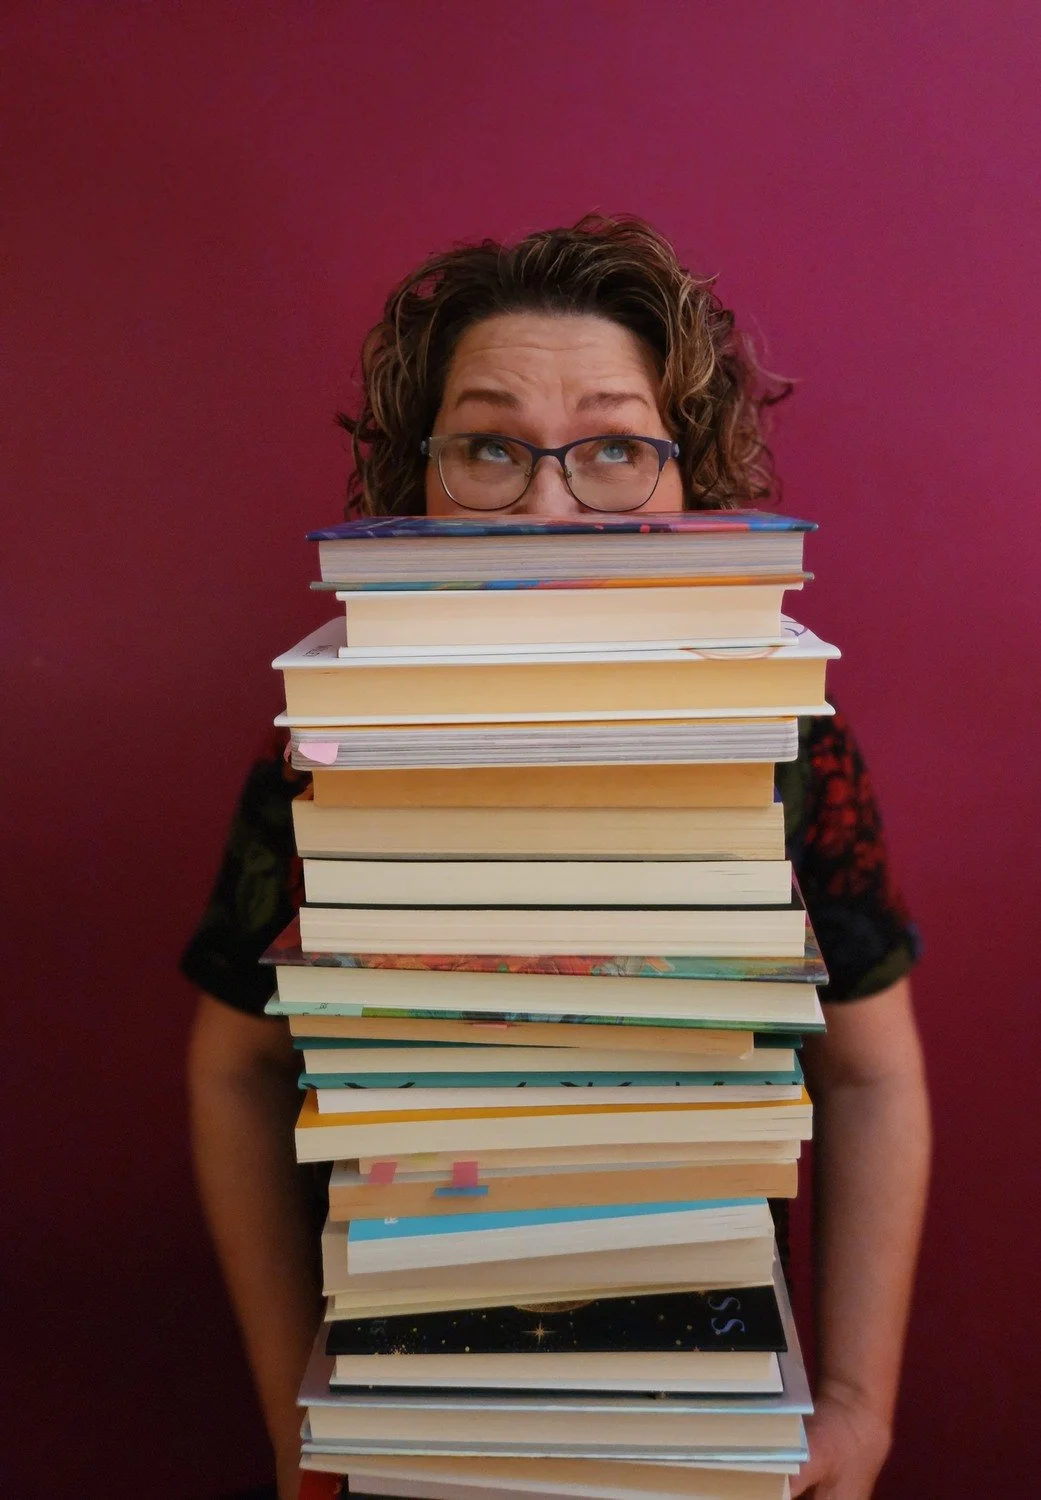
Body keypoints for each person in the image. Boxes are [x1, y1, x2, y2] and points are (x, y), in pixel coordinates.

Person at [184, 215, 931, 1500]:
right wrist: (291, 1420)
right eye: (488, 445)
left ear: (689, 478)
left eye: (615, 449)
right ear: (417, 481)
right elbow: (238, 1071)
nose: (547, 502)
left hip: (713, 1417)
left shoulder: (786, 742)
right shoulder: (324, 747)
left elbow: (870, 1078)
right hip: (413, 1420)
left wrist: (860, 1408)